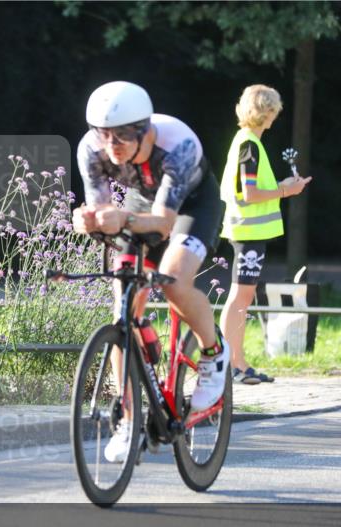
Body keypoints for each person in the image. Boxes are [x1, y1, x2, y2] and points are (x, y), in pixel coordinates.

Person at [72, 81, 229, 463]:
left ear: (145, 129)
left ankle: (215, 353)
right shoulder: (90, 149)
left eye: (124, 134)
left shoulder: (178, 144)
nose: (113, 143)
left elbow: (163, 223)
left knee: (174, 280)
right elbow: (103, 209)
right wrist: (88, 219)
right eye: (104, 133)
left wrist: (120, 217)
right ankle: (129, 419)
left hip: (191, 205)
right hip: (144, 202)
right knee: (122, 305)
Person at [219, 85, 312, 385]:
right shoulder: (249, 145)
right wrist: (287, 190)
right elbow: (250, 193)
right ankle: (230, 364)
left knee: (241, 296)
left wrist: (282, 185)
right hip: (248, 231)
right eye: (274, 110)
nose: (275, 116)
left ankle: (234, 362)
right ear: (267, 112)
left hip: (248, 230)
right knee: (240, 297)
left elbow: (253, 189)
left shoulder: (246, 142)